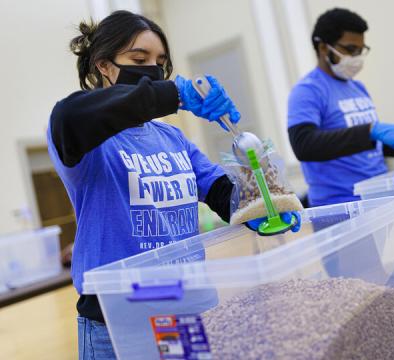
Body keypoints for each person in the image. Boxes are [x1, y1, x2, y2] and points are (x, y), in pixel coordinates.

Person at [48, 11, 300, 359]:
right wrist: (174, 93)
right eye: (139, 59)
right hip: (119, 321)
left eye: (160, 62)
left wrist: (264, 204)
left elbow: (220, 191)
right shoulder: (88, 139)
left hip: (184, 308)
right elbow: (68, 116)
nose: (152, 69)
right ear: (104, 66)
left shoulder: (172, 139)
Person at [288, 8, 394, 206]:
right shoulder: (308, 90)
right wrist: (370, 131)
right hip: (341, 207)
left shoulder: (357, 88)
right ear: (324, 47)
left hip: (378, 196)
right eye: (350, 49)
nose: (357, 57)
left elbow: (368, 144)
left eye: (361, 50)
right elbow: (304, 144)